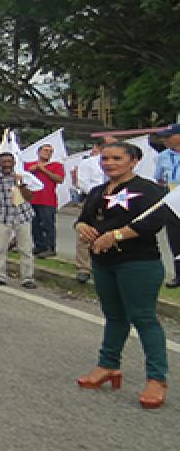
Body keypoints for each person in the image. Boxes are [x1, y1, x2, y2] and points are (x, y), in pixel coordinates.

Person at [75, 141, 169, 409]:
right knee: (114, 316)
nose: (109, 164)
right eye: (105, 159)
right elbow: (84, 217)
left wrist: (115, 235)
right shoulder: (98, 191)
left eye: (117, 158)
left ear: (134, 161)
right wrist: (81, 227)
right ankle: (108, 365)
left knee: (143, 318)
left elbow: (155, 221)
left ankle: (157, 379)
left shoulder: (148, 190)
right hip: (103, 263)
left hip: (138, 263)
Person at [0, 152, 43, 288]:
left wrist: (21, 184)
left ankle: (27, 278)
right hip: (3, 217)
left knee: (26, 249)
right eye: (4, 162)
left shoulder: (22, 176)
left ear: (14, 163)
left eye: (9, 162)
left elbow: (30, 197)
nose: (7, 164)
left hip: (22, 216)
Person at [73, 137, 113, 283]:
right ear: (100, 147)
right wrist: (102, 194)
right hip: (93, 199)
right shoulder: (88, 163)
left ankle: (106, 266)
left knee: (109, 231)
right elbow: (82, 182)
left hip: (115, 200)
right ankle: (84, 268)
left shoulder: (120, 164)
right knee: (86, 232)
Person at [152, 124, 180, 288]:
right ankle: (179, 274)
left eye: (168, 136)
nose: (164, 140)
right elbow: (160, 179)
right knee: (175, 239)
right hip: (172, 200)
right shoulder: (163, 156)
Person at [26, 144, 65, 258]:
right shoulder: (29, 165)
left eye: (50, 151)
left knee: (48, 224)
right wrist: (31, 171)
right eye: (45, 150)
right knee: (34, 225)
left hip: (48, 200)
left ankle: (50, 247)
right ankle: (39, 246)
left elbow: (59, 179)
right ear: (38, 152)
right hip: (32, 199)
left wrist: (43, 170)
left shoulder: (56, 165)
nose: (47, 153)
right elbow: (22, 178)